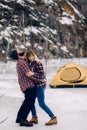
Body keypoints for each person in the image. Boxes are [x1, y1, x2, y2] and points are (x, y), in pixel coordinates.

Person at [25, 50, 57, 125]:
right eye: (29, 57)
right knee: (30, 101)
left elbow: (42, 76)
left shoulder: (38, 63)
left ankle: (53, 118)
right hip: (35, 86)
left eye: (32, 55)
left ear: (34, 55)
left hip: (40, 86)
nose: (31, 57)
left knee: (41, 104)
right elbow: (34, 77)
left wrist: (32, 74)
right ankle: (34, 117)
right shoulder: (30, 64)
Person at [10, 49, 36, 127]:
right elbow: (28, 74)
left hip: (25, 85)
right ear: (17, 54)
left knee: (26, 102)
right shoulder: (22, 62)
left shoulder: (19, 62)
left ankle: (19, 117)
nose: (21, 50)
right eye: (18, 50)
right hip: (29, 85)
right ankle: (23, 120)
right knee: (29, 103)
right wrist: (39, 76)